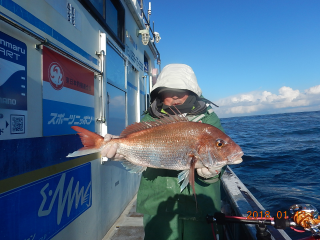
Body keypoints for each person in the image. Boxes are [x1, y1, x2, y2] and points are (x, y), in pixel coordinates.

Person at [102, 64, 236, 240]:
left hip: (200, 207)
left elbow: (220, 157)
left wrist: (211, 173)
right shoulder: (150, 118)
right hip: (158, 204)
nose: (175, 96)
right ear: (159, 93)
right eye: (168, 91)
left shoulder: (208, 120)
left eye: (181, 90)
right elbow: (137, 145)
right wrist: (122, 152)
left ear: (192, 91)